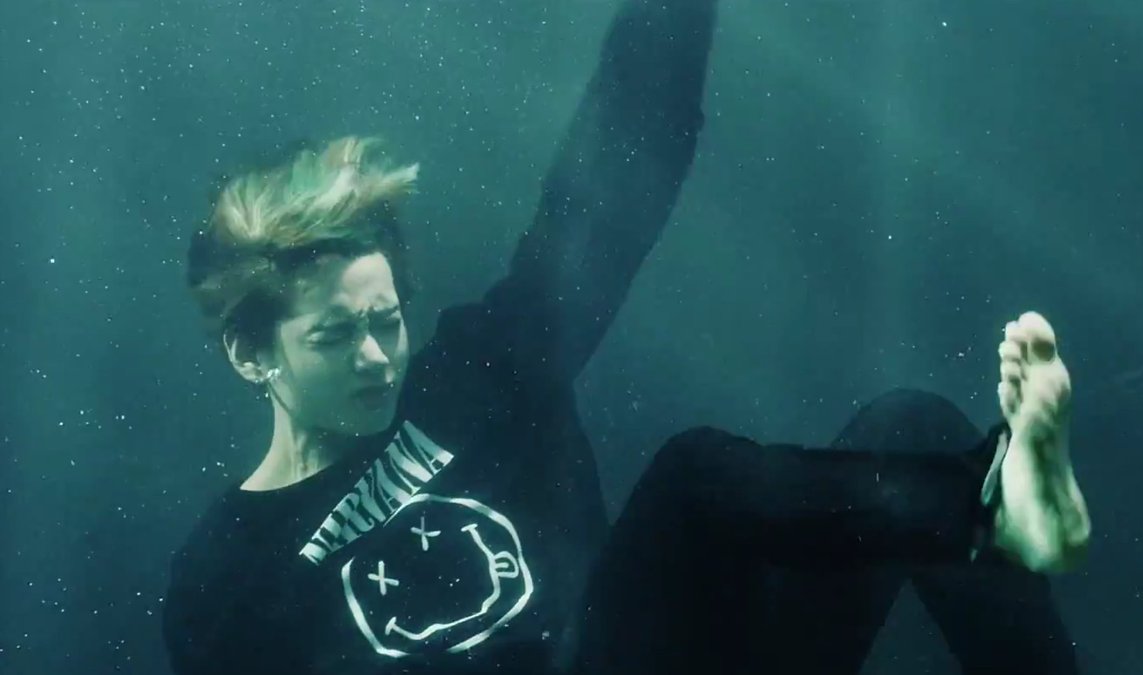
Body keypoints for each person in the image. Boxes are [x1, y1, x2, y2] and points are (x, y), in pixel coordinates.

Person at [161, 0, 1091, 673]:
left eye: (386, 319)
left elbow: (614, 180)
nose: (376, 356)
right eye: (334, 336)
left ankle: (996, 510)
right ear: (252, 354)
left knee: (914, 430)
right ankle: (987, 510)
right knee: (690, 478)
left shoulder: (478, 373)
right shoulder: (223, 577)